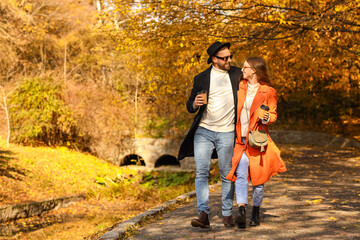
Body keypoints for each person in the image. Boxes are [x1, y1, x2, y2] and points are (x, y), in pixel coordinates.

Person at [177, 41, 242, 228]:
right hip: (203, 131)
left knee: (227, 173)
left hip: (227, 132)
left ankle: (227, 214)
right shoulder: (201, 78)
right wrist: (194, 104)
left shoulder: (237, 74)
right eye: (225, 58)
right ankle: (203, 214)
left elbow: (254, 88)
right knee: (202, 173)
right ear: (214, 59)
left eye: (230, 56)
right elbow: (190, 105)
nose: (229, 59)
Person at [226, 57, 287, 228]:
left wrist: (267, 118)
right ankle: (242, 211)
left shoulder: (268, 91)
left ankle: (255, 212)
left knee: (258, 180)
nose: (242, 70)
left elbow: (273, 114)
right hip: (240, 140)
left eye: (244, 67)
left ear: (253, 70)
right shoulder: (240, 88)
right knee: (241, 174)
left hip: (256, 141)